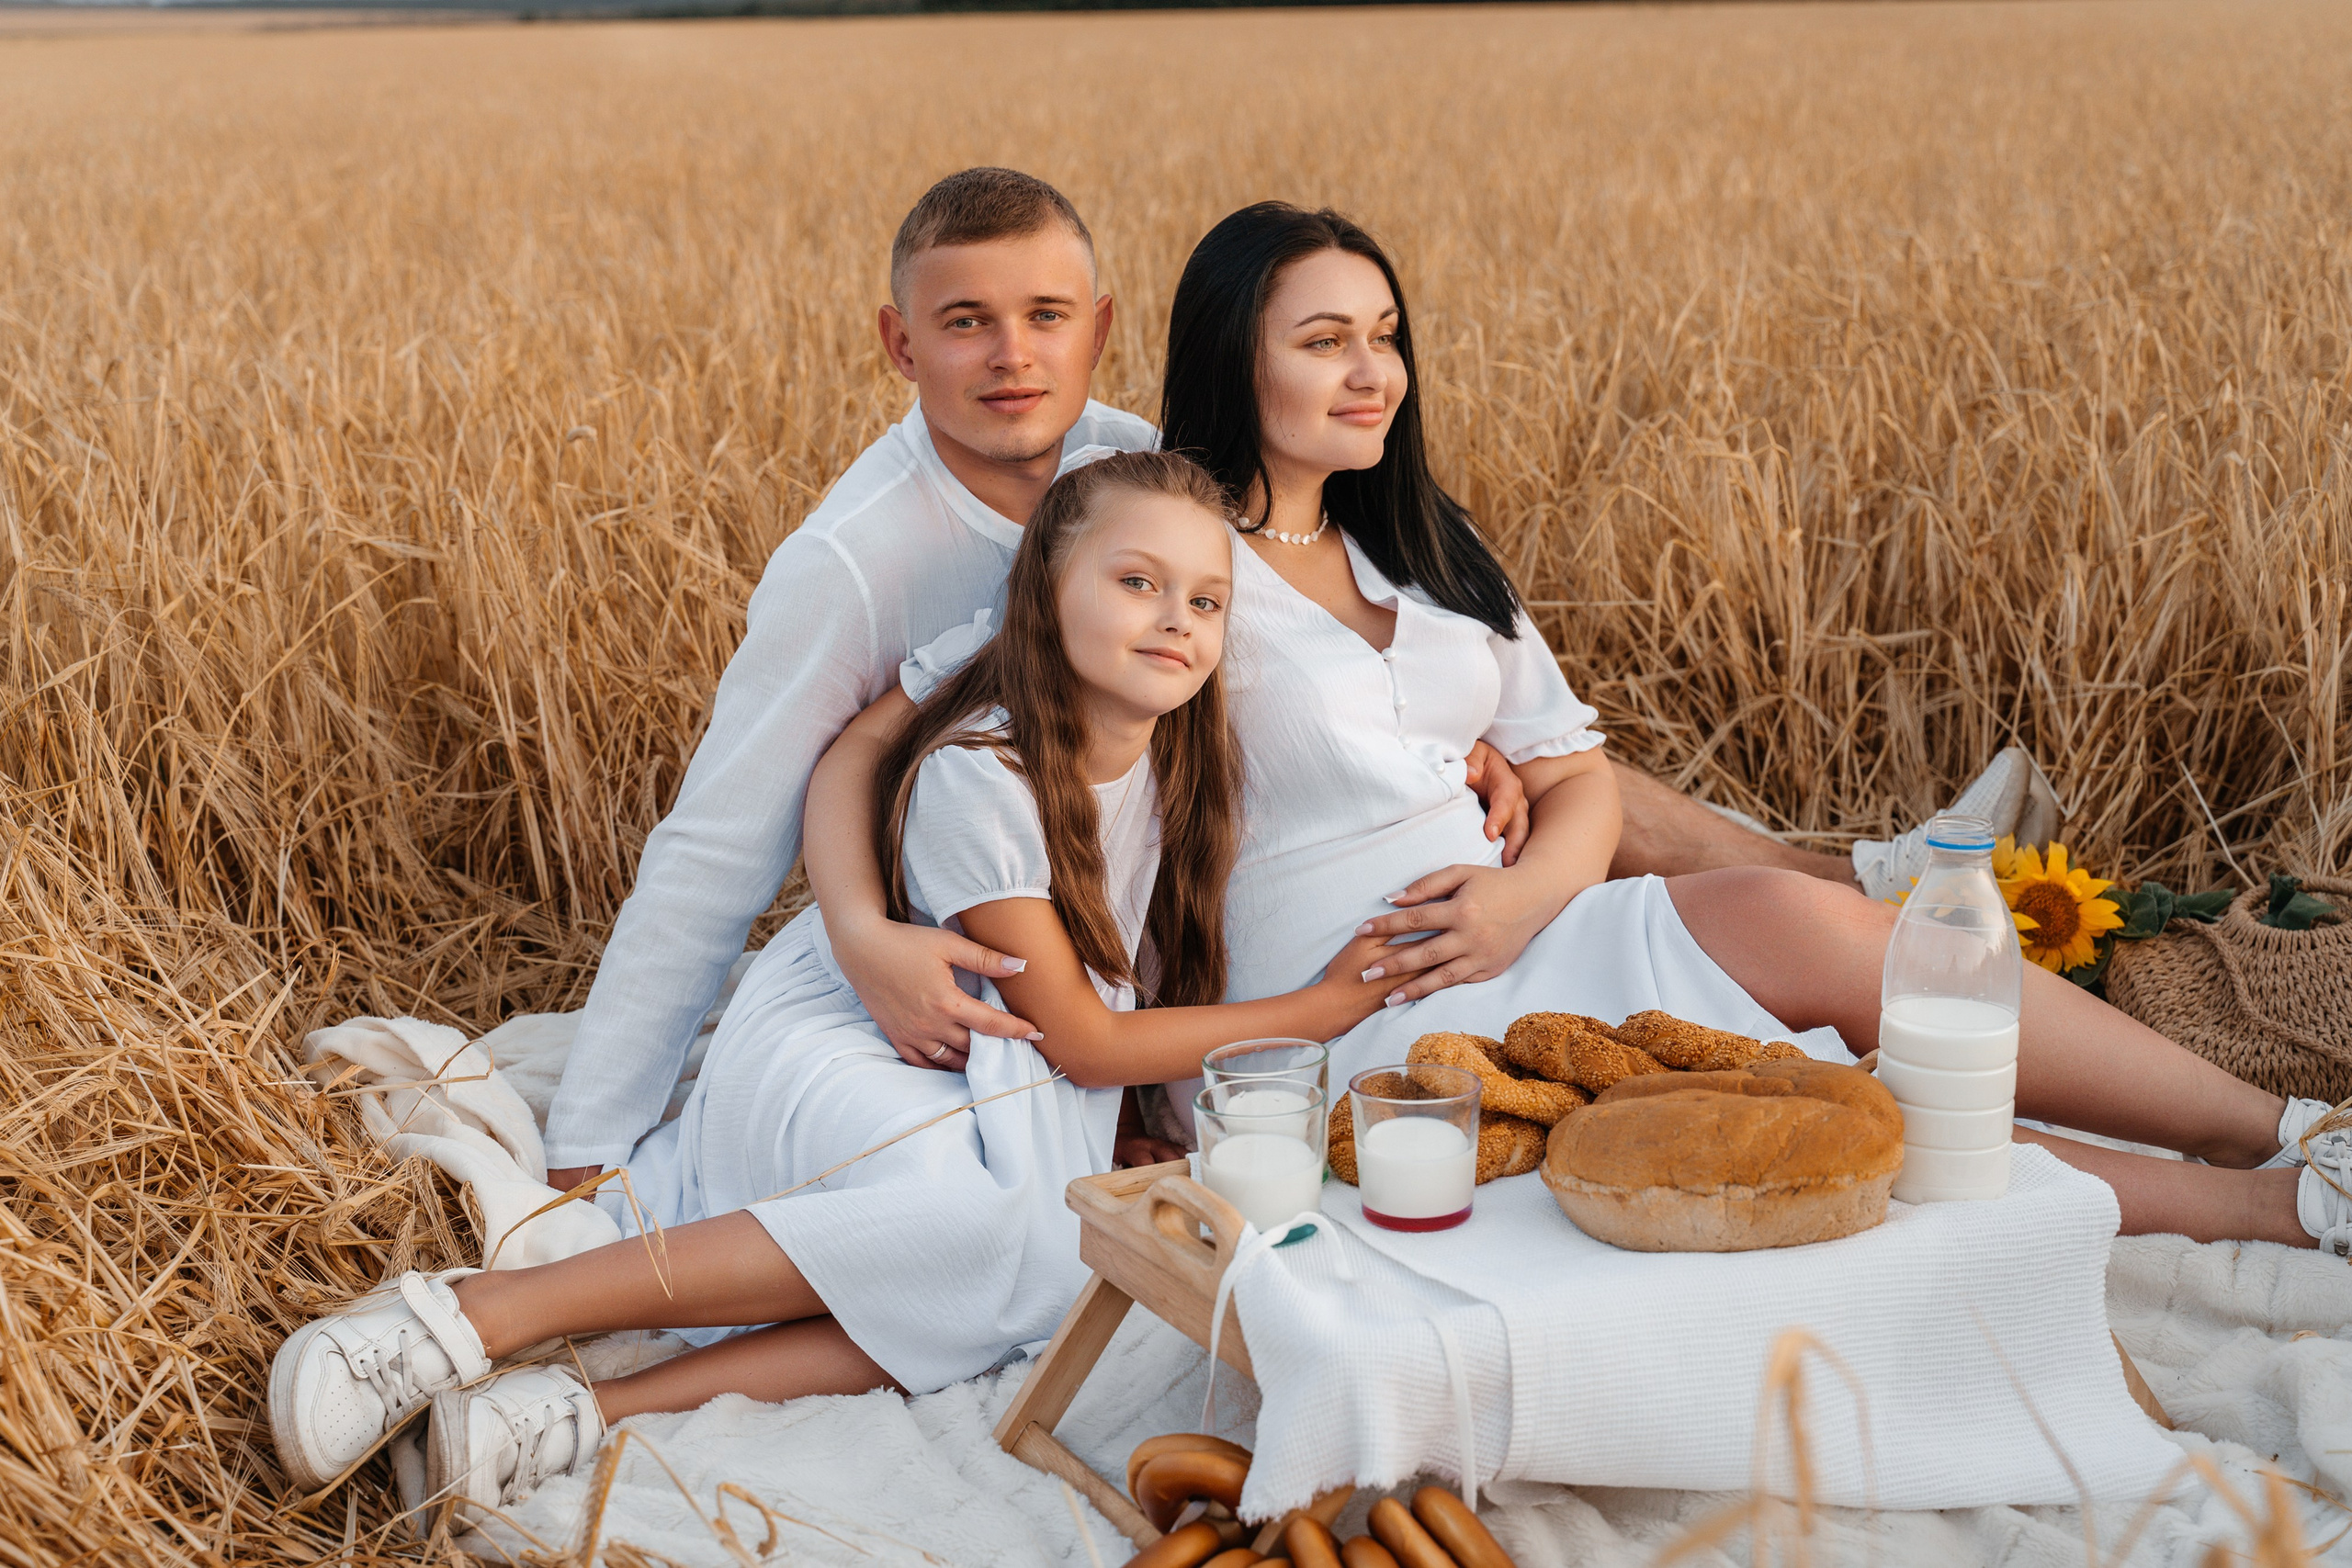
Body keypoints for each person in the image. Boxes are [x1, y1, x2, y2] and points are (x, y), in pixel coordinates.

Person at [811, 202, 2351, 1264]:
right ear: (1233, 354)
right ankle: (2271, 1208)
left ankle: (2288, 1128)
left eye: (1387, 336)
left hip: (1507, 931)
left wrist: (1514, 896)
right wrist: (864, 925)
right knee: (1795, 1075)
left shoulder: (1421, 546)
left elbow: (1576, 781)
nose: (1374, 373)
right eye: (1326, 340)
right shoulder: (1160, 539)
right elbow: (876, 737)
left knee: (1796, 929)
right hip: (1349, 997)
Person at [268, 452, 1399, 1513]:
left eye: (1205, 602)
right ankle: (476, 1315)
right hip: (861, 1028)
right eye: (1138, 583)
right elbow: (1083, 1041)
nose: (1175, 620)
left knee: (1031, 1264)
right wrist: (1321, 1011)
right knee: (980, 1227)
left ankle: (579, 1411)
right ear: (1047, 590)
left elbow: (1120, 987)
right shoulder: (985, 777)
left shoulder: (1170, 756)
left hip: (990, 1062)